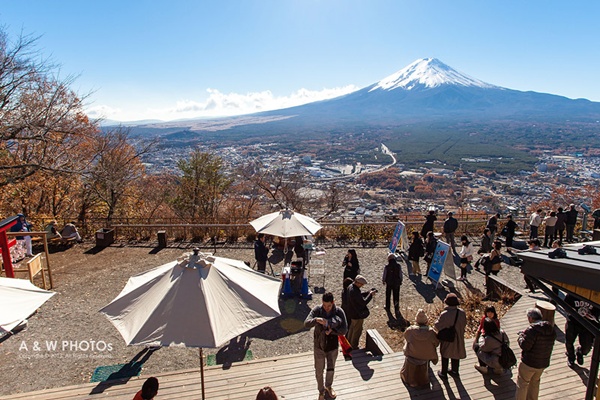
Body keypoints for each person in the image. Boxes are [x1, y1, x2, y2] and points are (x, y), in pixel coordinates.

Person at [304, 292, 348, 400]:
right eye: (324, 305)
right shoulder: (317, 310)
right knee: (319, 370)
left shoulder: (339, 311)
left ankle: (329, 386)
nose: (326, 308)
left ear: (333, 302)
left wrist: (332, 331)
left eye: (329, 306)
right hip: (319, 346)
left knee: (331, 369)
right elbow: (306, 323)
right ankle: (321, 391)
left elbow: (344, 330)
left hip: (332, 347)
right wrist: (316, 320)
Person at [515, 308, 556, 400]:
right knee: (535, 383)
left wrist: (521, 337)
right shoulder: (551, 329)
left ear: (530, 318)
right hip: (542, 363)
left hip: (529, 363)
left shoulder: (532, 330)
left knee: (523, 384)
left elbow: (525, 346)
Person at [401, 309, 439, 388]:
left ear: (416, 321)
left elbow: (406, 338)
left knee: (407, 345)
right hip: (427, 355)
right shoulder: (431, 332)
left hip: (412, 354)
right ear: (426, 321)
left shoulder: (410, 330)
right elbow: (436, 343)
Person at [434, 293, 467, 379]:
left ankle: (443, 373)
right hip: (459, 337)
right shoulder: (462, 313)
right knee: (456, 354)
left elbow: (437, 326)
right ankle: (455, 371)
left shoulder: (445, 314)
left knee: (445, 354)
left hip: (447, 338)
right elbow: (464, 324)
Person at [564, 293, 600, 368]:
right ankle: (571, 357)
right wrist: (571, 311)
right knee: (569, 341)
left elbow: (598, 311)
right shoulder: (573, 293)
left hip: (588, 325)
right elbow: (566, 304)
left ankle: (580, 351)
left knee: (586, 347)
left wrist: (593, 316)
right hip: (573, 322)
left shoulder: (595, 296)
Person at [346, 274, 375, 350]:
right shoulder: (355, 290)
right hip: (357, 314)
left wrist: (367, 292)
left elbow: (358, 296)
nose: (362, 286)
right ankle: (354, 346)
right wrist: (370, 295)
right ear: (357, 283)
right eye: (361, 284)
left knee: (352, 329)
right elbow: (363, 302)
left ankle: (348, 343)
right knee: (357, 331)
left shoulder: (351, 287)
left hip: (352, 312)